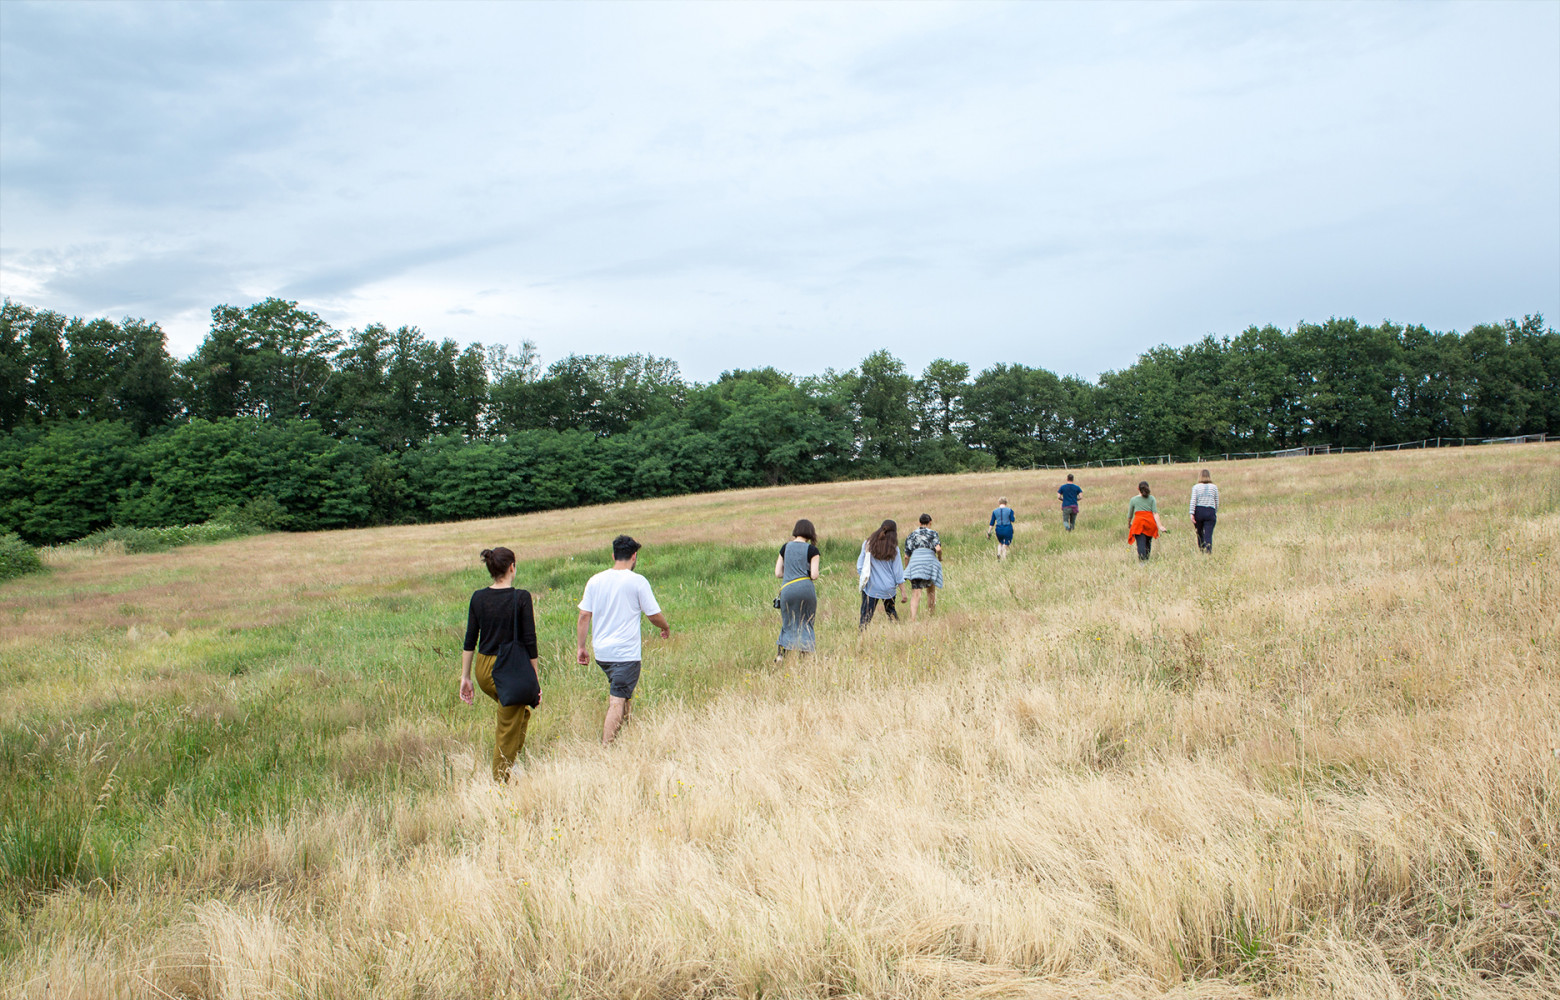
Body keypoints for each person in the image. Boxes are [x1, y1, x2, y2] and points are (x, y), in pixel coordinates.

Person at [577, 534, 671, 745]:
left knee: (623, 693)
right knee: (617, 701)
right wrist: (665, 627)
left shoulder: (595, 580)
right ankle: (606, 748)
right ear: (634, 556)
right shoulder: (637, 581)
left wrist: (581, 647)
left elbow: (584, 615)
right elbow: (653, 615)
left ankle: (625, 738)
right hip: (625, 654)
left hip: (602, 653)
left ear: (613, 555)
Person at [460, 547, 540, 782]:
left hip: (484, 670)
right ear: (512, 567)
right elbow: (530, 640)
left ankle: (510, 766)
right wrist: (534, 678)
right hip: (509, 669)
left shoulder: (478, 597)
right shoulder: (521, 597)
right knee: (507, 727)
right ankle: (500, 784)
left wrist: (466, 677)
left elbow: (469, 639)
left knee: (521, 712)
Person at [774, 518, 821, 661]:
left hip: (788, 590)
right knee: (806, 622)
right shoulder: (812, 550)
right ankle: (804, 656)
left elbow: (778, 573)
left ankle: (782, 655)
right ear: (810, 533)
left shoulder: (785, 547)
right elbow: (814, 575)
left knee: (788, 622)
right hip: (806, 590)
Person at [856, 519, 905, 628]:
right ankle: (898, 633)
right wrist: (903, 592)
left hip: (871, 588)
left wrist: (866, 578)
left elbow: (859, 566)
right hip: (889, 588)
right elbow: (898, 572)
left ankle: (862, 637)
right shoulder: (894, 548)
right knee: (891, 613)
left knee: (865, 617)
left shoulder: (868, 544)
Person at [903, 513, 943, 621]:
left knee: (916, 593)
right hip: (930, 564)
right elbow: (938, 549)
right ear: (930, 522)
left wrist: (907, 569)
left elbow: (906, 556)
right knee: (931, 591)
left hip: (915, 564)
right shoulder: (933, 533)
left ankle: (913, 618)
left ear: (919, 523)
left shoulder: (911, 535)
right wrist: (939, 558)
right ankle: (931, 616)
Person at [1126, 481, 1162, 562]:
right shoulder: (1152, 498)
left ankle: (1142, 561)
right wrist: (1160, 526)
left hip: (1138, 523)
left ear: (1138, 489)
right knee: (1148, 543)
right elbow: (1155, 513)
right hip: (1150, 523)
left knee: (1140, 543)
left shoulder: (1133, 500)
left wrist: (1129, 524)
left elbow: (1130, 515)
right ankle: (1146, 559)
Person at [1189, 469, 1220, 554]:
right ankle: (1208, 552)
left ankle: (1202, 550)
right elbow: (1216, 501)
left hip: (1199, 511)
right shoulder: (1214, 487)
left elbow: (1193, 501)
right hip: (1210, 510)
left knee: (1199, 532)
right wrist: (1215, 511)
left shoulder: (1196, 487)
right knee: (1208, 534)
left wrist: (1191, 513)